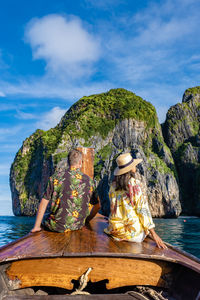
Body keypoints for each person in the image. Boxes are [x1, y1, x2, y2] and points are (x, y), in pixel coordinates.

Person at [104, 153, 167, 249]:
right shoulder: (134, 185)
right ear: (130, 169)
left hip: (115, 231)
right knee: (143, 230)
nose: (135, 166)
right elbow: (142, 210)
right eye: (133, 165)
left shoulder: (113, 186)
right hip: (132, 235)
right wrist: (153, 234)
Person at [31, 149, 100, 233]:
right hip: (78, 225)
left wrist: (36, 227)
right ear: (80, 162)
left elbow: (44, 201)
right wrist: (87, 219)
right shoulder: (89, 181)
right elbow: (97, 205)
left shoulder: (55, 177)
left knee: (46, 216)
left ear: (68, 162)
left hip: (57, 227)